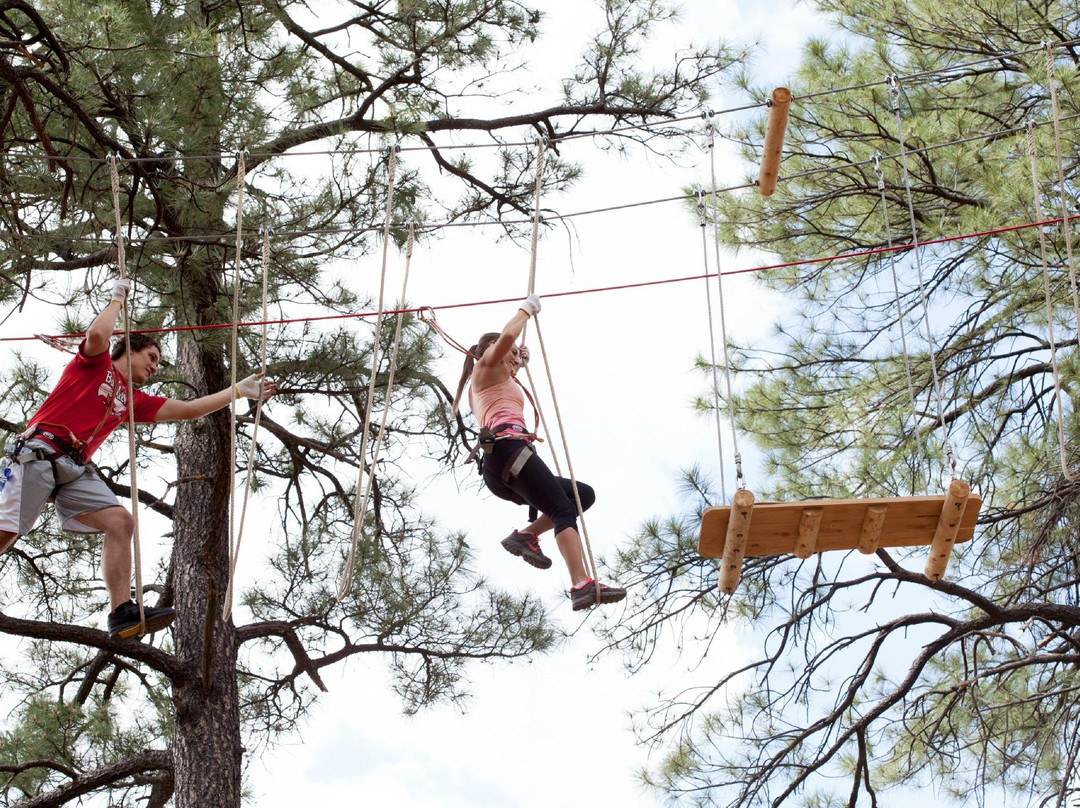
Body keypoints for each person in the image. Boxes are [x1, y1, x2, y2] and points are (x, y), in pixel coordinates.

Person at [0, 278, 277, 639]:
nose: (155, 367)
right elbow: (98, 337)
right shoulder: (93, 366)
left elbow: (190, 410)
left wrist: (237, 391)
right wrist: (117, 300)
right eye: (151, 358)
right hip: (40, 453)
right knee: (6, 531)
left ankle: (121, 611)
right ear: (129, 351)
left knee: (120, 521)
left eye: (159, 363)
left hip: (73, 468)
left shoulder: (133, 401)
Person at [452, 294, 626, 611]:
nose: (516, 358)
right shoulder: (486, 367)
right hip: (508, 451)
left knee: (581, 495)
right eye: (512, 354)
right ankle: (581, 584)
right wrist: (524, 312)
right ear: (490, 350)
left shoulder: (492, 380)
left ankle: (525, 536)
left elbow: (508, 367)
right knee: (562, 510)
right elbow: (506, 338)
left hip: (502, 463)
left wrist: (519, 359)